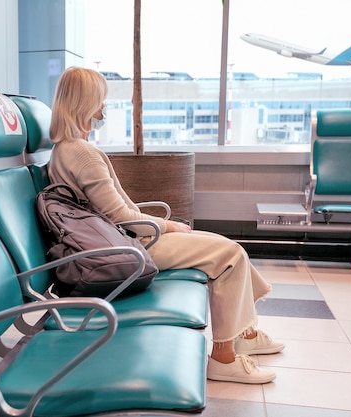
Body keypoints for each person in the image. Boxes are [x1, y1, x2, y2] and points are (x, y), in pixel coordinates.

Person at [47, 66, 285, 384]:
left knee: (228, 249)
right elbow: (120, 216)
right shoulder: (83, 153)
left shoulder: (64, 151)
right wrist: (167, 226)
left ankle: (246, 332)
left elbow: (115, 212)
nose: (104, 109)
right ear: (85, 103)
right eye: (100, 101)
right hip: (128, 247)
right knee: (229, 254)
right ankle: (224, 358)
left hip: (121, 240)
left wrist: (164, 225)